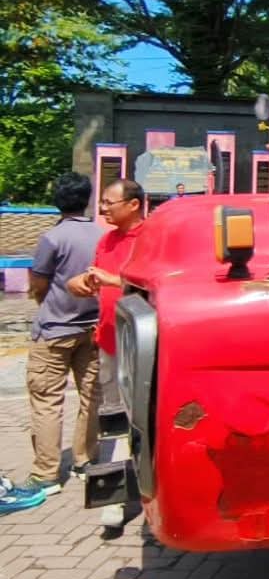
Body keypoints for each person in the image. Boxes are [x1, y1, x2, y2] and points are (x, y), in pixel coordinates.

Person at [68, 178, 145, 529]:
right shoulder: (106, 240)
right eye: (102, 203)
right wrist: (82, 284)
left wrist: (114, 281)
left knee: (142, 422)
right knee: (113, 421)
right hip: (110, 342)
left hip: (143, 347)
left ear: (133, 204)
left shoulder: (151, 240)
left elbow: (160, 285)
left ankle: (147, 487)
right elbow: (93, 278)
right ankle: (114, 499)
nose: (103, 209)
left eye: (109, 203)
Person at [23, 173, 103, 494]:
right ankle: (85, 461)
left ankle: (46, 474)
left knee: (46, 401)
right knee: (91, 398)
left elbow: (38, 285)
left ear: (58, 201)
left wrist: (47, 304)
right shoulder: (101, 235)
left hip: (55, 331)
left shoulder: (52, 238)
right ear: (88, 199)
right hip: (91, 327)